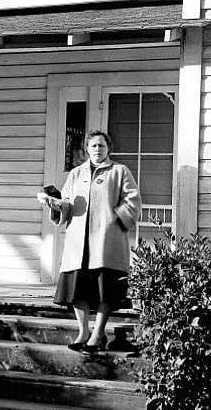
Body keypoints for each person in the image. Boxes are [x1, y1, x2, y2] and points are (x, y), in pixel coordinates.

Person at [42, 130, 140, 353]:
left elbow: (133, 200)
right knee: (78, 288)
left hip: (107, 241)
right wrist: (55, 204)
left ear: (108, 149)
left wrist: (114, 220)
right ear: (86, 149)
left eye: (101, 145)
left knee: (105, 289)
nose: (97, 149)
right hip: (78, 243)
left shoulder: (120, 172)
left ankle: (98, 334)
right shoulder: (76, 174)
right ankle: (83, 331)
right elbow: (67, 203)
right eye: (93, 145)